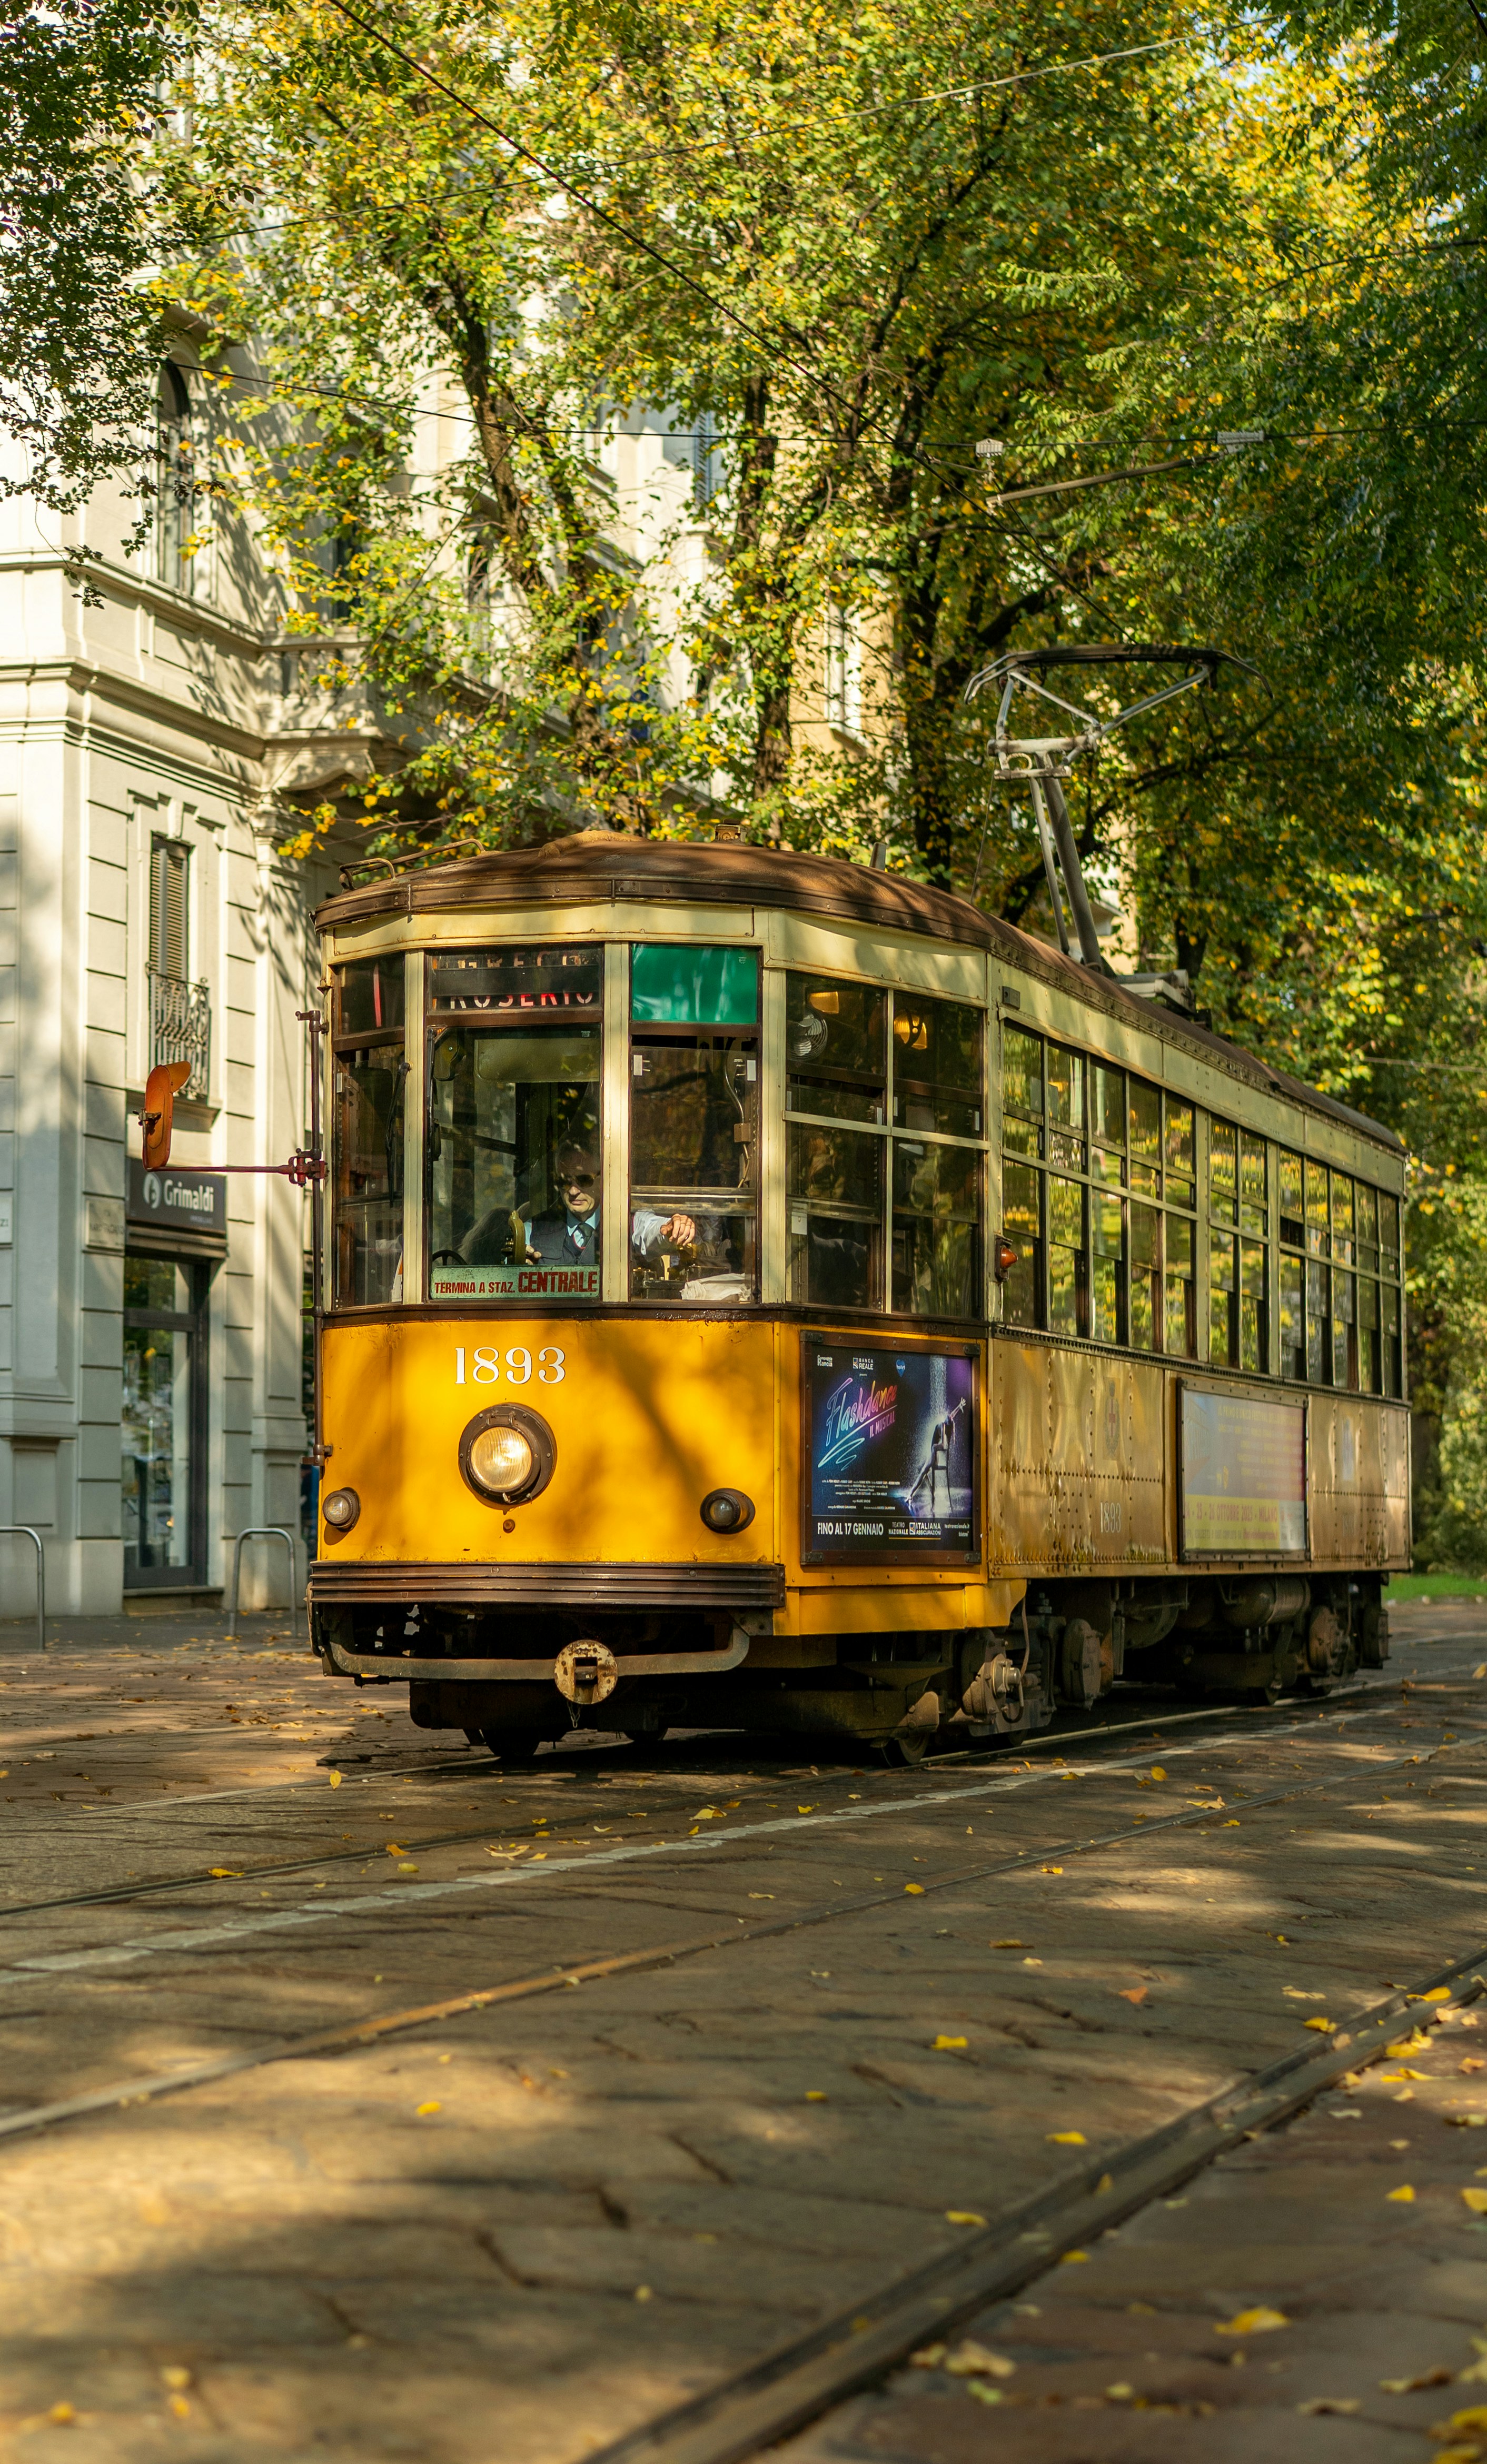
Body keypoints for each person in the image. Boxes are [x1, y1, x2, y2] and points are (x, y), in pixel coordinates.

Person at [460, 1146, 697, 1268]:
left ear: (603, 1181)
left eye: (584, 1181)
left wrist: (672, 1227)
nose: (573, 1192)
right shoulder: (532, 1228)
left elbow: (652, 1231)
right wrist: (517, 1270)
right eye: (565, 1182)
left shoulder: (628, 1222)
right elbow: (505, 1279)